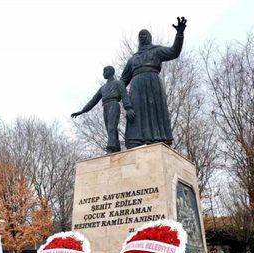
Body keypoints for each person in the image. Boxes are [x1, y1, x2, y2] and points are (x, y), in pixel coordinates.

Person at [120, 17, 187, 149]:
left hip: (153, 85)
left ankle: (159, 138)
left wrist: (179, 34)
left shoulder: (156, 50)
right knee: (137, 115)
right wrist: (125, 102)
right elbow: (122, 81)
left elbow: (174, 52)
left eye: (144, 34)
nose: (142, 36)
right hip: (136, 90)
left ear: (149, 37)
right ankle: (136, 140)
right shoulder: (133, 59)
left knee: (156, 111)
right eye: (140, 35)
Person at [71, 66, 134, 153]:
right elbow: (93, 101)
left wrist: (128, 108)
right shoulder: (103, 88)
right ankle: (116, 148)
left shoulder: (118, 83)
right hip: (105, 107)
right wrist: (82, 111)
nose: (103, 74)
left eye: (104, 71)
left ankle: (110, 148)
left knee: (112, 127)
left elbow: (124, 96)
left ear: (110, 72)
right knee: (109, 129)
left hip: (114, 104)